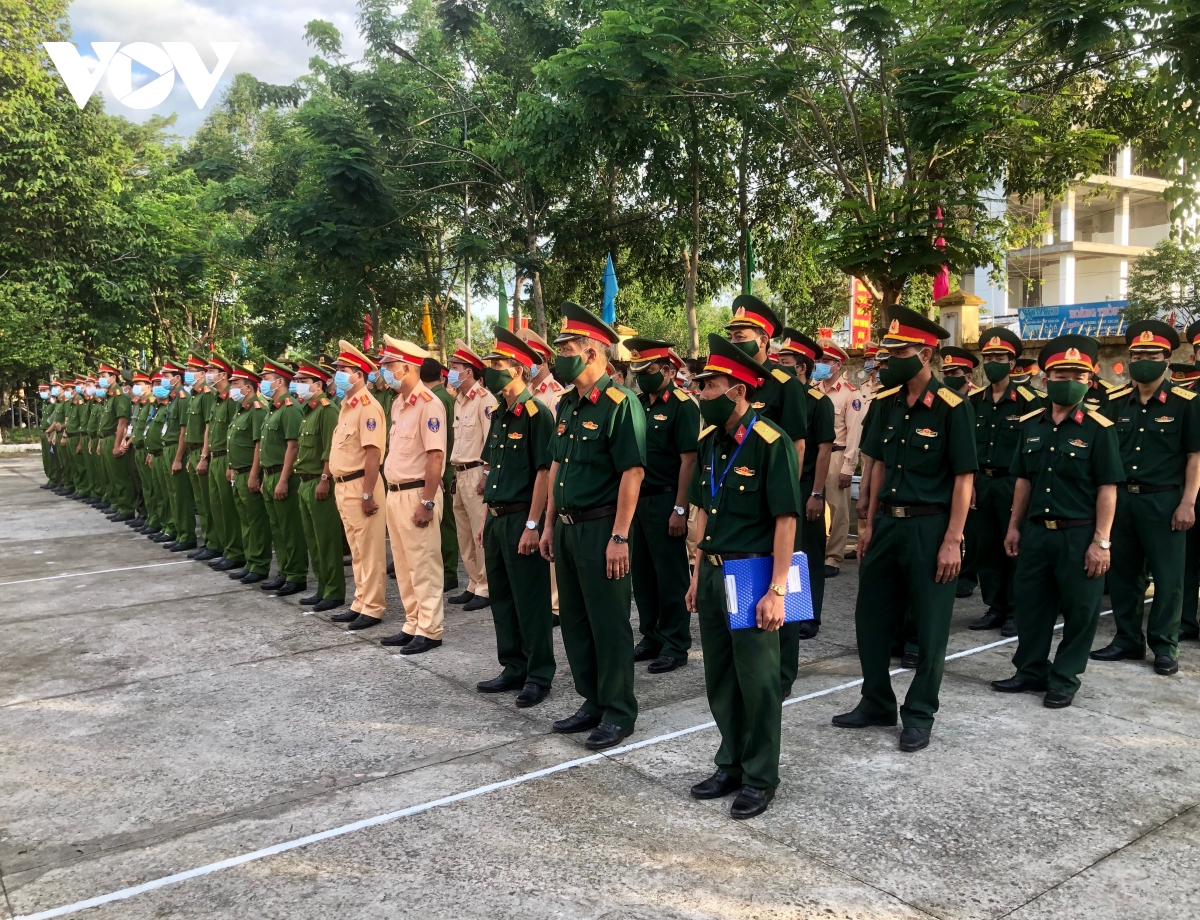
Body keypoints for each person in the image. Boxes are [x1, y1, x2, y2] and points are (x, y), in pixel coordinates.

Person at [833, 305, 977, 752]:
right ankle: (876, 700)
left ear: (927, 353)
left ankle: (919, 713)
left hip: (931, 528)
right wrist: (867, 520)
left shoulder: (953, 407)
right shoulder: (885, 403)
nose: (888, 358)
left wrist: (953, 539)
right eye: (887, 350)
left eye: (899, 350)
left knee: (931, 625)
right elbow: (873, 464)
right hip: (886, 526)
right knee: (870, 618)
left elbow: (963, 480)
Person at [684, 334, 802, 820]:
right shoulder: (710, 442)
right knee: (721, 678)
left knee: (758, 682)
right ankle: (730, 760)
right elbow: (704, 514)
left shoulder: (771, 443)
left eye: (708, 385)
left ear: (737, 389)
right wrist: (694, 576)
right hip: (713, 571)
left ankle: (759, 777)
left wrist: (777, 589)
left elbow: (785, 521)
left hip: (753, 572)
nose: (700, 393)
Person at [992, 334, 1123, 706]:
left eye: (1077, 376)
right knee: (1032, 605)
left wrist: (1102, 541)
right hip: (1036, 533)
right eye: (1061, 374)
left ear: (1089, 381)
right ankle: (1031, 670)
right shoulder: (1031, 424)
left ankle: (1064, 678)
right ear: (1045, 379)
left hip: (1079, 535)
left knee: (1080, 611)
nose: (1068, 381)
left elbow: (1108, 489)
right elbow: (1022, 480)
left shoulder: (1100, 428)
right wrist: (1014, 526)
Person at [540, 302, 646, 750]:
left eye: (566, 347)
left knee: (608, 622)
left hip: (602, 529)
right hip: (565, 528)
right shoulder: (566, 404)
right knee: (576, 621)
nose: (558, 354)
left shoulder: (621, 405)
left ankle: (619, 710)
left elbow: (632, 473)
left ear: (591, 353)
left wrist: (620, 535)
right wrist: (547, 526)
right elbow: (556, 467)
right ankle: (592, 701)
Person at [1091, 320, 1200, 676]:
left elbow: (1194, 457)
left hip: (1164, 501)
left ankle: (1164, 645)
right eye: (1136, 354)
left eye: (1151, 354)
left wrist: (1188, 502)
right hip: (1123, 500)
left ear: (1167, 359)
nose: (1142, 360)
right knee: (1124, 575)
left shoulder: (1186, 403)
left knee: (1169, 578)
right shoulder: (1115, 401)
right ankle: (1127, 639)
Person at [475, 326, 557, 705]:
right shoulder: (500, 412)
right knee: (503, 598)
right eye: (489, 363)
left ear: (520, 369)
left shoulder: (536, 413)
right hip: (495, 516)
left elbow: (544, 471)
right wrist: (484, 520)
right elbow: (493, 468)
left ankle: (539, 674)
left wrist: (533, 524)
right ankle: (513, 666)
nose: (490, 370)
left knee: (531, 600)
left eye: (498, 364)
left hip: (522, 516)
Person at [624, 336, 699, 674]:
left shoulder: (682, 406)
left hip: (667, 497)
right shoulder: (636, 404)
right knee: (642, 574)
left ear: (668, 370)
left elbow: (689, 460)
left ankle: (675, 643)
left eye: (649, 369)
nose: (642, 375)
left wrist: (680, 508)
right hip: (637, 499)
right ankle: (651, 636)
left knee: (670, 576)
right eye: (637, 369)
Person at [964, 328, 1045, 637]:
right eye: (988, 358)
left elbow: (1033, 448)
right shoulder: (974, 401)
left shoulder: (1028, 401)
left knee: (1013, 548)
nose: (993, 362)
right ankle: (994, 606)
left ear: (1013, 362)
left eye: (1000, 357)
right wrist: (970, 484)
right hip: (982, 483)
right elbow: (968, 448)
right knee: (985, 547)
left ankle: (1015, 609)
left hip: (1013, 483)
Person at [375, 337, 449, 653]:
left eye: (389, 366)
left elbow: (435, 457)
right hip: (395, 493)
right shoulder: (397, 404)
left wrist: (428, 501)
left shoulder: (429, 404)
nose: (384, 372)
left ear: (405, 368)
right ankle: (413, 622)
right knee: (404, 565)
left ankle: (430, 629)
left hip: (418, 493)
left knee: (424, 565)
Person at [777, 330, 835, 655]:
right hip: (782, 484)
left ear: (801, 367)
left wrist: (816, 493)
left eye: (785, 363)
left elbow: (824, 450)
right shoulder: (780, 399)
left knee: (808, 554)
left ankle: (809, 616)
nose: (779, 367)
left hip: (805, 486)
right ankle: (789, 610)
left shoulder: (819, 403)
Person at [327, 341, 388, 630]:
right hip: (344, 486)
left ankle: (373, 608)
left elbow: (373, 453)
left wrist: (366, 492)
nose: (337, 374)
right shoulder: (347, 407)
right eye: (337, 369)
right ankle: (360, 601)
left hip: (360, 486)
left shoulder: (368, 407)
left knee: (369, 550)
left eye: (343, 370)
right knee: (356, 550)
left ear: (359, 374)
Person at [518, 326, 568, 624]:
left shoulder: (557, 396)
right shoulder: (527, 395)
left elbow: (554, 452)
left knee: (550, 544)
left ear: (544, 358)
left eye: (531, 357)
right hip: (530, 481)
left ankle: (556, 605)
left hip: (550, 477)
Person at [446, 340, 497, 611]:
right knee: (464, 534)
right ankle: (473, 582)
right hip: (460, 472)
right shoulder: (459, 401)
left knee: (480, 533)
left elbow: (491, 439)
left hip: (478, 471)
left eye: (455, 367)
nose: (451, 372)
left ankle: (486, 586)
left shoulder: (485, 400)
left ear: (469, 371)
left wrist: (487, 473)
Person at [293, 359, 347, 612]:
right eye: (297, 381)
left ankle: (334, 591)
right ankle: (322, 588)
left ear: (317, 385)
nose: (298, 385)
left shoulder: (327, 411)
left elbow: (330, 450)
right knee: (312, 539)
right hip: (304, 481)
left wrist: (325, 479)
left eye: (303, 381)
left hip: (319, 481)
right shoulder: (308, 411)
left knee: (326, 540)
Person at [258, 358, 309, 596]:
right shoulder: (273, 409)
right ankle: (285, 571)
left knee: (290, 528)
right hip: (270, 475)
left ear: (279, 382)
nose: (262, 383)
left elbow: (293, 447)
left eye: (266, 379)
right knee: (277, 528)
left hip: (282, 474)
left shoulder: (290, 409)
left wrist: (283, 480)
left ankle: (297, 575)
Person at [815, 339, 864, 579]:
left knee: (837, 509)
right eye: (819, 360)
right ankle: (817, 551)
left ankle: (833, 557)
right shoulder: (814, 389)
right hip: (815, 455)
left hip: (837, 455)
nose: (820, 365)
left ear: (838, 364)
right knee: (813, 505)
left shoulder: (850, 394)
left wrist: (848, 467)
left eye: (825, 361)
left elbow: (854, 434)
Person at [226, 365, 273, 584]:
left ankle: (260, 564)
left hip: (249, 472)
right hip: (238, 472)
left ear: (248, 388)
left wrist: (255, 474)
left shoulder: (257, 409)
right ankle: (250, 561)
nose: (231, 387)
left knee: (256, 521)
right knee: (245, 519)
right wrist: (230, 466)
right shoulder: (241, 409)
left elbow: (258, 445)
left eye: (235, 384)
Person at [199, 353, 246, 571]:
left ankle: (236, 552)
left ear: (222, 375)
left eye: (211, 371)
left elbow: (231, 433)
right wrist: (204, 455)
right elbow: (209, 429)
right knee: (216, 505)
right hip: (215, 457)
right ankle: (225, 548)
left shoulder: (230, 399)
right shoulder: (216, 398)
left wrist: (230, 465)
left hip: (227, 458)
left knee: (228, 507)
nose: (207, 375)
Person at [422, 357, 460, 593]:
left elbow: (447, 439)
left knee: (446, 523)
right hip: (444, 467)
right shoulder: (442, 397)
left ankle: (448, 571)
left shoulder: (438, 399)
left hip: (443, 469)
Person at [182, 352, 217, 556]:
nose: (187, 373)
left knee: (208, 502)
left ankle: (214, 543)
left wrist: (204, 456)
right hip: (193, 451)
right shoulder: (195, 396)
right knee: (201, 501)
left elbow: (208, 428)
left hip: (204, 453)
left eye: (191, 370)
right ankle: (209, 541)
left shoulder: (206, 396)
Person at [164, 361, 197, 552]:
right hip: (168, 447)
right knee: (173, 493)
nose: (163, 380)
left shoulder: (184, 398)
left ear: (177, 378)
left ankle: (187, 535)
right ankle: (179, 531)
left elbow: (183, 431)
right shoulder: (175, 398)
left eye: (167, 376)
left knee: (181, 495)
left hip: (178, 449)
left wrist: (177, 458)